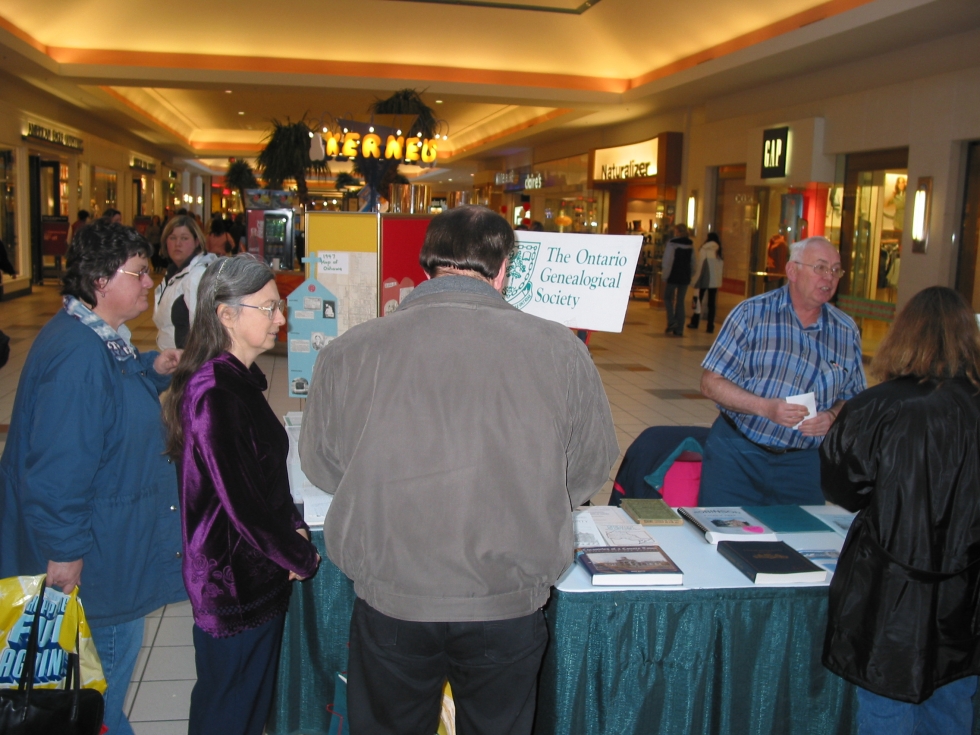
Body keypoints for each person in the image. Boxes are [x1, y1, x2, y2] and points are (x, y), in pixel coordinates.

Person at [299, 205, 618, 735]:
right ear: (504, 268)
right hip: (507, 601)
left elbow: (324, 466)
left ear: (426, 266)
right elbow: (586, 470)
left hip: (393, 597)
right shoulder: (561, 349)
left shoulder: (350, 350)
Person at [0, 220, 186, 735]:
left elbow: (104, 402)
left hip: (108, 545)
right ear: (102, 280)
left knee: (96, 698)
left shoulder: (94, 336)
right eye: (141, 272)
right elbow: (58, 469)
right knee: (95, 705)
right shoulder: (79, 357)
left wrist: (150, 368)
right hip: (96, 569)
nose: (150, 282)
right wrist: (64, 558)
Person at [161, 255, 320, 735]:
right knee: (229, 711)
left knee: (245, 708)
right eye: (269, 308)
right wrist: (300, 554)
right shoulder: (215, 392)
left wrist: (290, 521)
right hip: (232, 584)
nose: (281, 319)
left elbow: (257, 479)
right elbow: (242, 502)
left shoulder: (237, 382)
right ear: (225, 314)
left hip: (251, 574)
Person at [820, 286, 980, 735]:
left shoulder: (874, 408)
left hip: (888, 593)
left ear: (902, 335)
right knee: (954, 698)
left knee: (887, 704)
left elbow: (844, 489)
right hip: (965, 595)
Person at [698, 236, 865, 506]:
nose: (829, 277)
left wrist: (832, 416)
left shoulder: (846, 331)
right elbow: (710, 383)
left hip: (802, 464)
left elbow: (854, 397)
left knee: (800, 543)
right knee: (722, 538)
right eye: (820, 267)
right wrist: (765, 407)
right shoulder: (751, 314)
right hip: (738, 453)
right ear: (792, 271)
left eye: (836, 270)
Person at [154, 214, 217, 349]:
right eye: (172, 238)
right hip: (172, 360)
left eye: (184, 238)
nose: (178, 244)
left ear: (197, 241)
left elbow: (203, 330)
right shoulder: (172, 273)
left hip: (188, 362)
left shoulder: (197, 275)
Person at [661, 223, 694, 336]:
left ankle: (672, 321)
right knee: (680, 301)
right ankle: (679, 329)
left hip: (673, 275)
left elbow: (668, 262)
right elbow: (694, 263)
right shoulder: (690, 245)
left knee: (667, 297)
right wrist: (691, 274)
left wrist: (665, 275)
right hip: (685, 276)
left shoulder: (672, 244)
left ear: (677, 231)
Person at [688, 232, 723, 333]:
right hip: (715, 280)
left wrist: (695, 279)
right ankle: (710, 325)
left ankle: (695, 322)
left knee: (697, 299)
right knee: (711, 304)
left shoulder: (704, 249)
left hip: (704, 278)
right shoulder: (719, 250)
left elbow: (700, 265)